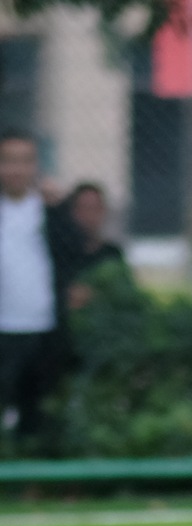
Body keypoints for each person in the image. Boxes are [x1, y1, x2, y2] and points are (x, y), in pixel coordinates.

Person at [0, 130, 75, 456]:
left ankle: (35, 478)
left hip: (43, 326)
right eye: (8, 161)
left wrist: (58, 207)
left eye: (25, 161)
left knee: (40, 408)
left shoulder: (50, 213)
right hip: (4, 326)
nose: (16, 170)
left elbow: (72, 254)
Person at [58, 182, 129, 313]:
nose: (90, 216)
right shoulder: (61, 254)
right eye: (84, 208)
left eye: (96, 208)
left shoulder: (112, 254)